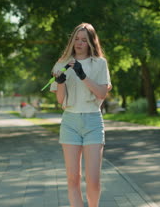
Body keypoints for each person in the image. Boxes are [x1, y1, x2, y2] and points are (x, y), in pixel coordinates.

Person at [50, 23, 111, 207]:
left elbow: (101, 93)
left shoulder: (99, 63)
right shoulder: (62, 63)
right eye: (76, 38)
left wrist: (82, 75)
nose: (79, 43)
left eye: (84, 40)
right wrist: (60, 82)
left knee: (93, 180)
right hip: (70, 121)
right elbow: (61, 101)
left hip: (92, 120)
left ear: (91, 42)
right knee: (72, 179)